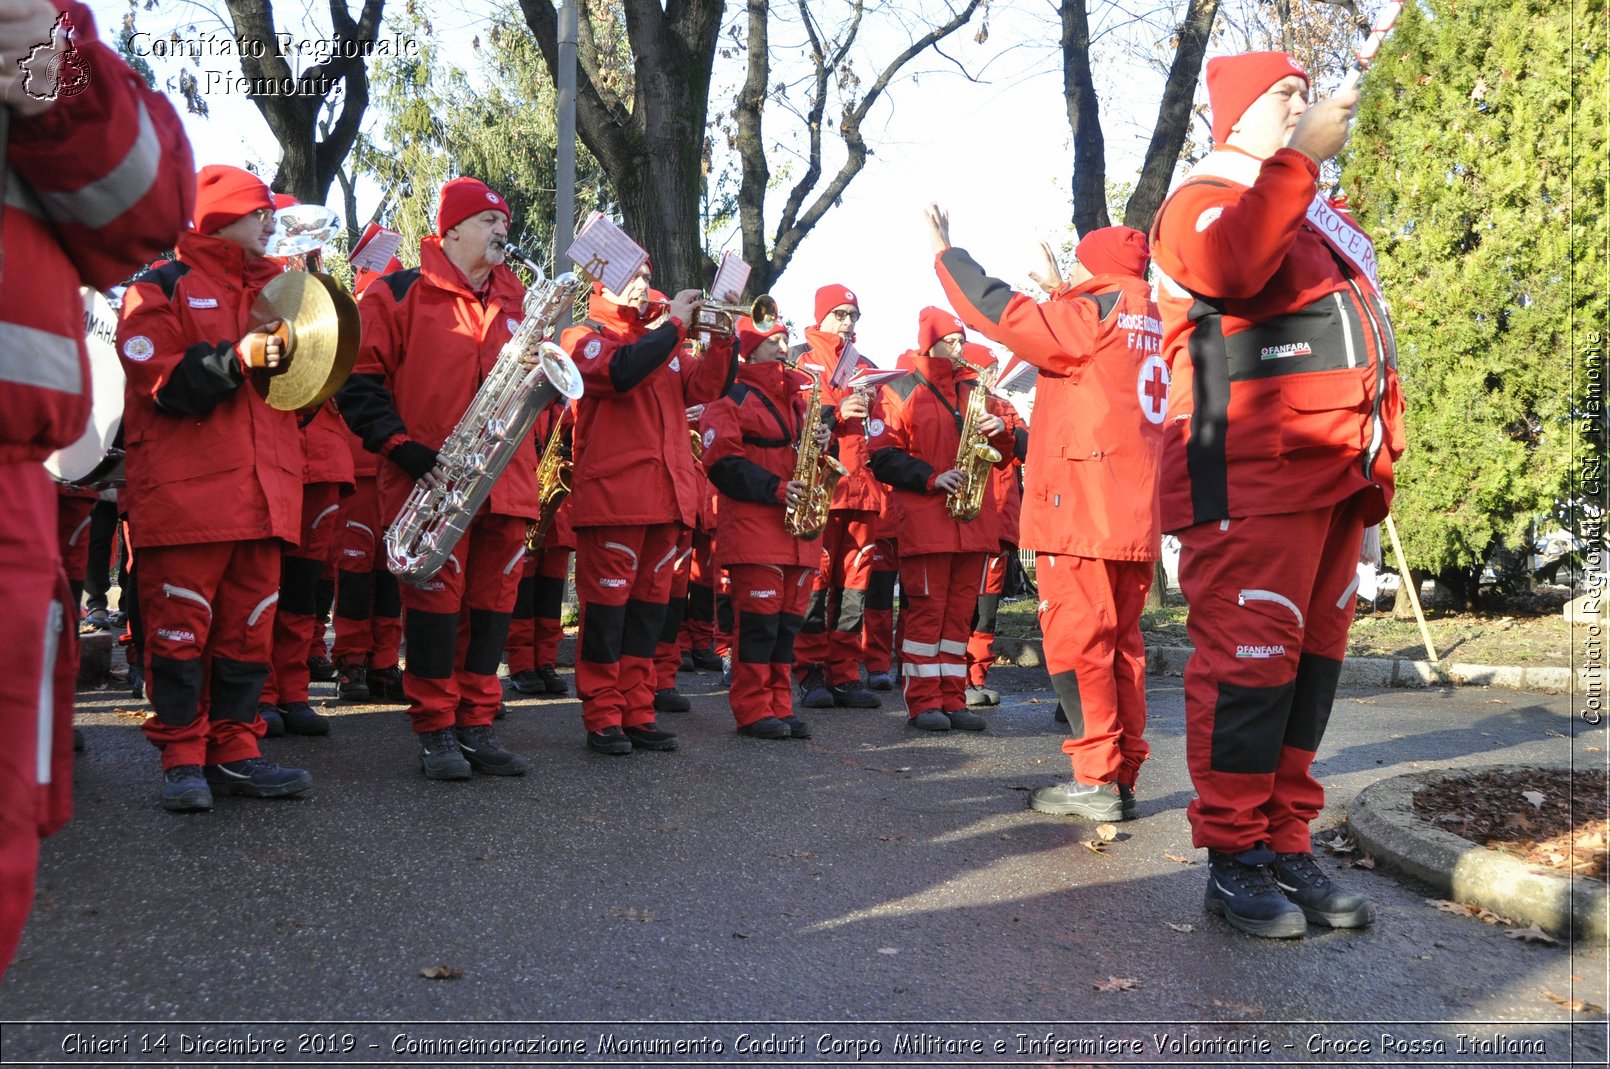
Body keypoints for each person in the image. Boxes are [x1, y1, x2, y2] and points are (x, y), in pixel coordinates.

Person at [1146, 52, 1404, 936]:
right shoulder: (1200, 201)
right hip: (1249, 473)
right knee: (1249, 666)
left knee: (1311, 673)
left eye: (1305, 92)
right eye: (1283, 95)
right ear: (1237, 116)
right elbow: (1231, 265)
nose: (1302, 103)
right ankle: (1233, 858)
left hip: (1333, 476)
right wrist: (1303, 161)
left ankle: (1285, 838)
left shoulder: (1307, 211)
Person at [1, 0, 192, 968]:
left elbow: (149, 207)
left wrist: (45, 72)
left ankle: (224, 746)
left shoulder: (37, 25)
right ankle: (198, 749)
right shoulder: (169, 300)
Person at [932, 215, 1165, 823]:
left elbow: (1003, 312)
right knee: (1122, 650)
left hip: (1079, 512)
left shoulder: (1090, 314)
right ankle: (1121, 774)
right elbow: (1093, 340)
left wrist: (947, 253)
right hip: (1132, 513)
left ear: (1094, 267)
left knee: (1077, 645)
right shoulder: (1151, 315)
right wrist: (1064, 288)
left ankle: (1094, 780)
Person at [116, 163, 312, 812]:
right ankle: (181, 756)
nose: (271, 222)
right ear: (221, 214)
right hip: (187, 501)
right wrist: (241, 357)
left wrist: (314, 369)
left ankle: (236, 752)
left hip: (266, 500)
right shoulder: (159, 284)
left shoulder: (281, 292)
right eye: (259, 212)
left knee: (249, 633)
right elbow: (162, 381)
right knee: (179, 634)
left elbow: (295, 404)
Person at [338, 176, 546, 780]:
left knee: (491, 609)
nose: (502, 228)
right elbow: (359, 383)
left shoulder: (519, 303)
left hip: (506, 480)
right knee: (435, 611)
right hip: (431, 482)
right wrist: (401, 448)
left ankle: (477, 724)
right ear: (451, 228)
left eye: (504, 220)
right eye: (488, 220)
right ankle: (435, 729)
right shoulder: (396, 293)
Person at [561, 265, 735, 755]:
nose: (642, 282)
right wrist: (675, 326)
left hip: (666, 501)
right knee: (607, 619)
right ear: (601, 282)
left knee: (646, 618)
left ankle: (637, 710)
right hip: (615, 502)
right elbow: (620, 373)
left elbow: (707, 389)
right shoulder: (585, 336)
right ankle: (602, 715)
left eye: (646, 275)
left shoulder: (666, 344)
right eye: (631, 275)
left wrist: (722, 337)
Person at [868, 308, 1014, 731]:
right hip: (928, 518)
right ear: (929, 342)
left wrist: (997, 431)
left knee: (958, 619)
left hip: (973, 521)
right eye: (951, 340)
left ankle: (953, 698)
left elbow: (1005, 455)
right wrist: (932, 479)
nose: (959, 348)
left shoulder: (973, 388)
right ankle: (923, 702)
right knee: (927, 616)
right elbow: (883, 458)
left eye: (961, 340)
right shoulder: (899, 387)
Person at [698, 316, 825, 739]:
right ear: (749, 350)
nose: (785, 348)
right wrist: (775, 487)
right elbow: (722, 465)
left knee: (787, 628)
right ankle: (753, 711)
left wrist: (826, 443)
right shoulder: (728, 398)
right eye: (775, 341)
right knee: (757, 627)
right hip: (756, 529)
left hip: (795, 534)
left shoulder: (798, 401)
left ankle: (780, 706)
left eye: (787, 340)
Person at [789, 286, 886, 709]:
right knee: (816, 582)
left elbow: (883, 432)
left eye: (854, 316)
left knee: (855, 588)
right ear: (822, 316)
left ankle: (845, 673)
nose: (848, 323)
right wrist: (838, 411)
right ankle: (808, 671)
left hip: (863, 492)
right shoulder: (799, 359)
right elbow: (795, 423)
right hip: (821, 489)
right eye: (840, 314)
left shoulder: (867, 366)